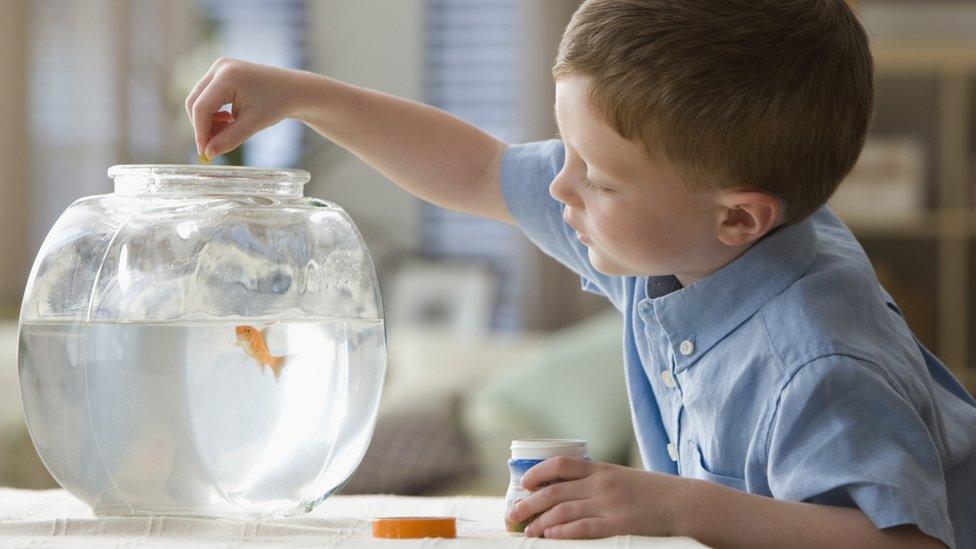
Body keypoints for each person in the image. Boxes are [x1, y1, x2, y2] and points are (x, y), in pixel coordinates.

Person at [185, 1, 975, 547]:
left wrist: (674, 505)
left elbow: (899, 543)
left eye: (597, 177)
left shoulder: (819, 357)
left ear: (740, 216)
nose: (561, 187)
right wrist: (295, 95)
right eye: (568, 153)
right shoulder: (677, 237)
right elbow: (477, 170)